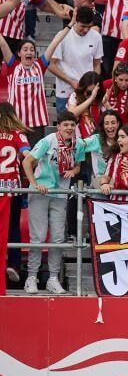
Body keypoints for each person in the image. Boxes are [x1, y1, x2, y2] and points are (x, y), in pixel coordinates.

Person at [21, 110, 86, 294]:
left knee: (58, 237)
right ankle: (31, 277)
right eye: (65, 124)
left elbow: (78, 165)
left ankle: (53, 278)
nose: (69, 128)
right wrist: (34, 184)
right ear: (59, 126)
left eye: (72, 125)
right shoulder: (48, 141)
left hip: (60, 193)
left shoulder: (78, 144)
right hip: (40, 192)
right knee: (38, 236)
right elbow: (27, 162)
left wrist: (74, 171)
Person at [49, 7, 103, 117]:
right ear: (75, 21)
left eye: (89, 26)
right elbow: (51, 65)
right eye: (83, 26)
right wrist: (71, 82)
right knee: (66, 123)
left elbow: (97, 63)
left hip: (87, 90)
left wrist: (94, 85)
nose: (86, 30)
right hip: (66, 89)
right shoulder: (62, 36)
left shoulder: (96, 37)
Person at [0, 102, 31, 285]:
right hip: (13, 188)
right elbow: (27, 154)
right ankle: (13, 263)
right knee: (12, 227)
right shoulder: (18, 134)